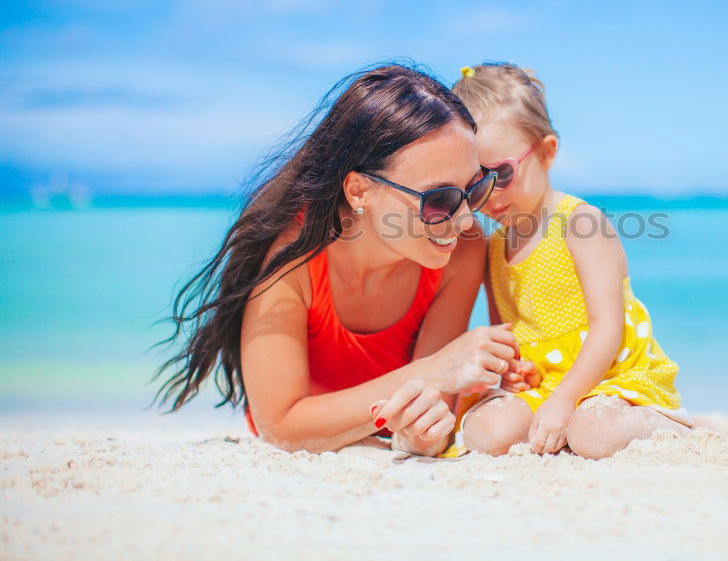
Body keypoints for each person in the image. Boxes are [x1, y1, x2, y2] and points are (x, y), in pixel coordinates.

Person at [156, 64, 517, 456]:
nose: (465, 218)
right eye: (439, 200)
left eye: (474, 189)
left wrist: (423, 430)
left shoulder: (461, 248)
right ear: (359, 190)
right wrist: (432, 373)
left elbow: (433, 412)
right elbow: (280, 425)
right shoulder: (293, 261)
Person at [451, 63, 693, 459]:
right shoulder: (494, 246)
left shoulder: (579, 224)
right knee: (486, 433)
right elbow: (508, 333)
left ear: (547, 153)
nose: (489, 195)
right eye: (473, 183)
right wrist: (516, 369)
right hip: (546, 383)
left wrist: (565, 400)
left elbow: (608, 327)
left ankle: (673, 424)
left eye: (502, 174)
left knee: (593, 431)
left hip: (610, 374)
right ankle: (563, 425)